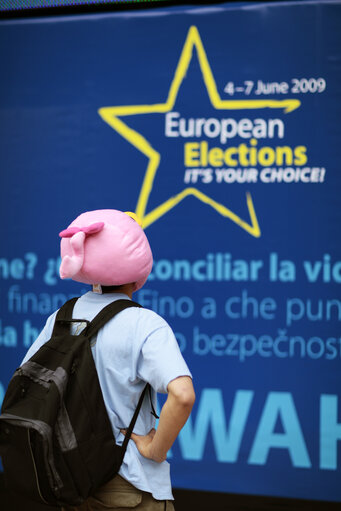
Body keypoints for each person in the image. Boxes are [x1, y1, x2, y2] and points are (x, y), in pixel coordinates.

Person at [21, 209, 195, 511]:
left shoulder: (60, 319)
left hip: (71, 480)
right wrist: (155, 449)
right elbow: (182, 395)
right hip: (129, 486)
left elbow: (28, 385)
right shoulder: (144, 323)